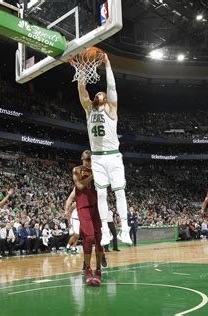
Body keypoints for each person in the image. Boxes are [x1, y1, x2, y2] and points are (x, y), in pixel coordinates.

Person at [77, 52, 132, 246]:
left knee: (119, 193)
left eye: (101, 94)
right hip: (98, 159)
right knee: (100, 194)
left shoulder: (111, 109)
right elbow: (82, 89)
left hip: (113, 157)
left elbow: (112, 87)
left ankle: (125, 229)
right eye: (97, 94)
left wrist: (108, 65)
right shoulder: (88, 110)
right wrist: (82, 69)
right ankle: (106, 231)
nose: (98, 94)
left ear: (106, 99)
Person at [73, 150, 103, 286]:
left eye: (91, 159)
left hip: (97, 206)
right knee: (89, 237)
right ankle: (88, 269)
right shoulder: (77, 170)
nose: (89, 161)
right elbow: (79, 185)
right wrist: (93, 176)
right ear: (82, 158)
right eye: (87, 159)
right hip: (83, 206)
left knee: (99, 239)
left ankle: (98, 270)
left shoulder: (99, 170)